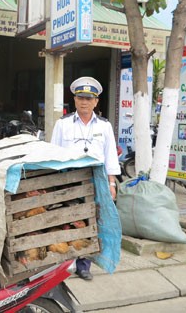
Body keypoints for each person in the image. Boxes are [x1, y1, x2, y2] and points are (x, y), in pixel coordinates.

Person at [51, 76, 120, 281]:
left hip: (95, 180)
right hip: (69, 178)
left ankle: (83, 265)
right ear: (74, 99)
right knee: (68, 218)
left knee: (91, 221)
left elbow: (110, 156)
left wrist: (111, 183)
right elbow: (54, 154)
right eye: (80, 97)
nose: (84, 102)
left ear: (96, 101)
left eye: (89, 99)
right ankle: (65, 263)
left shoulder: (104, 126)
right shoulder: (62, 124)